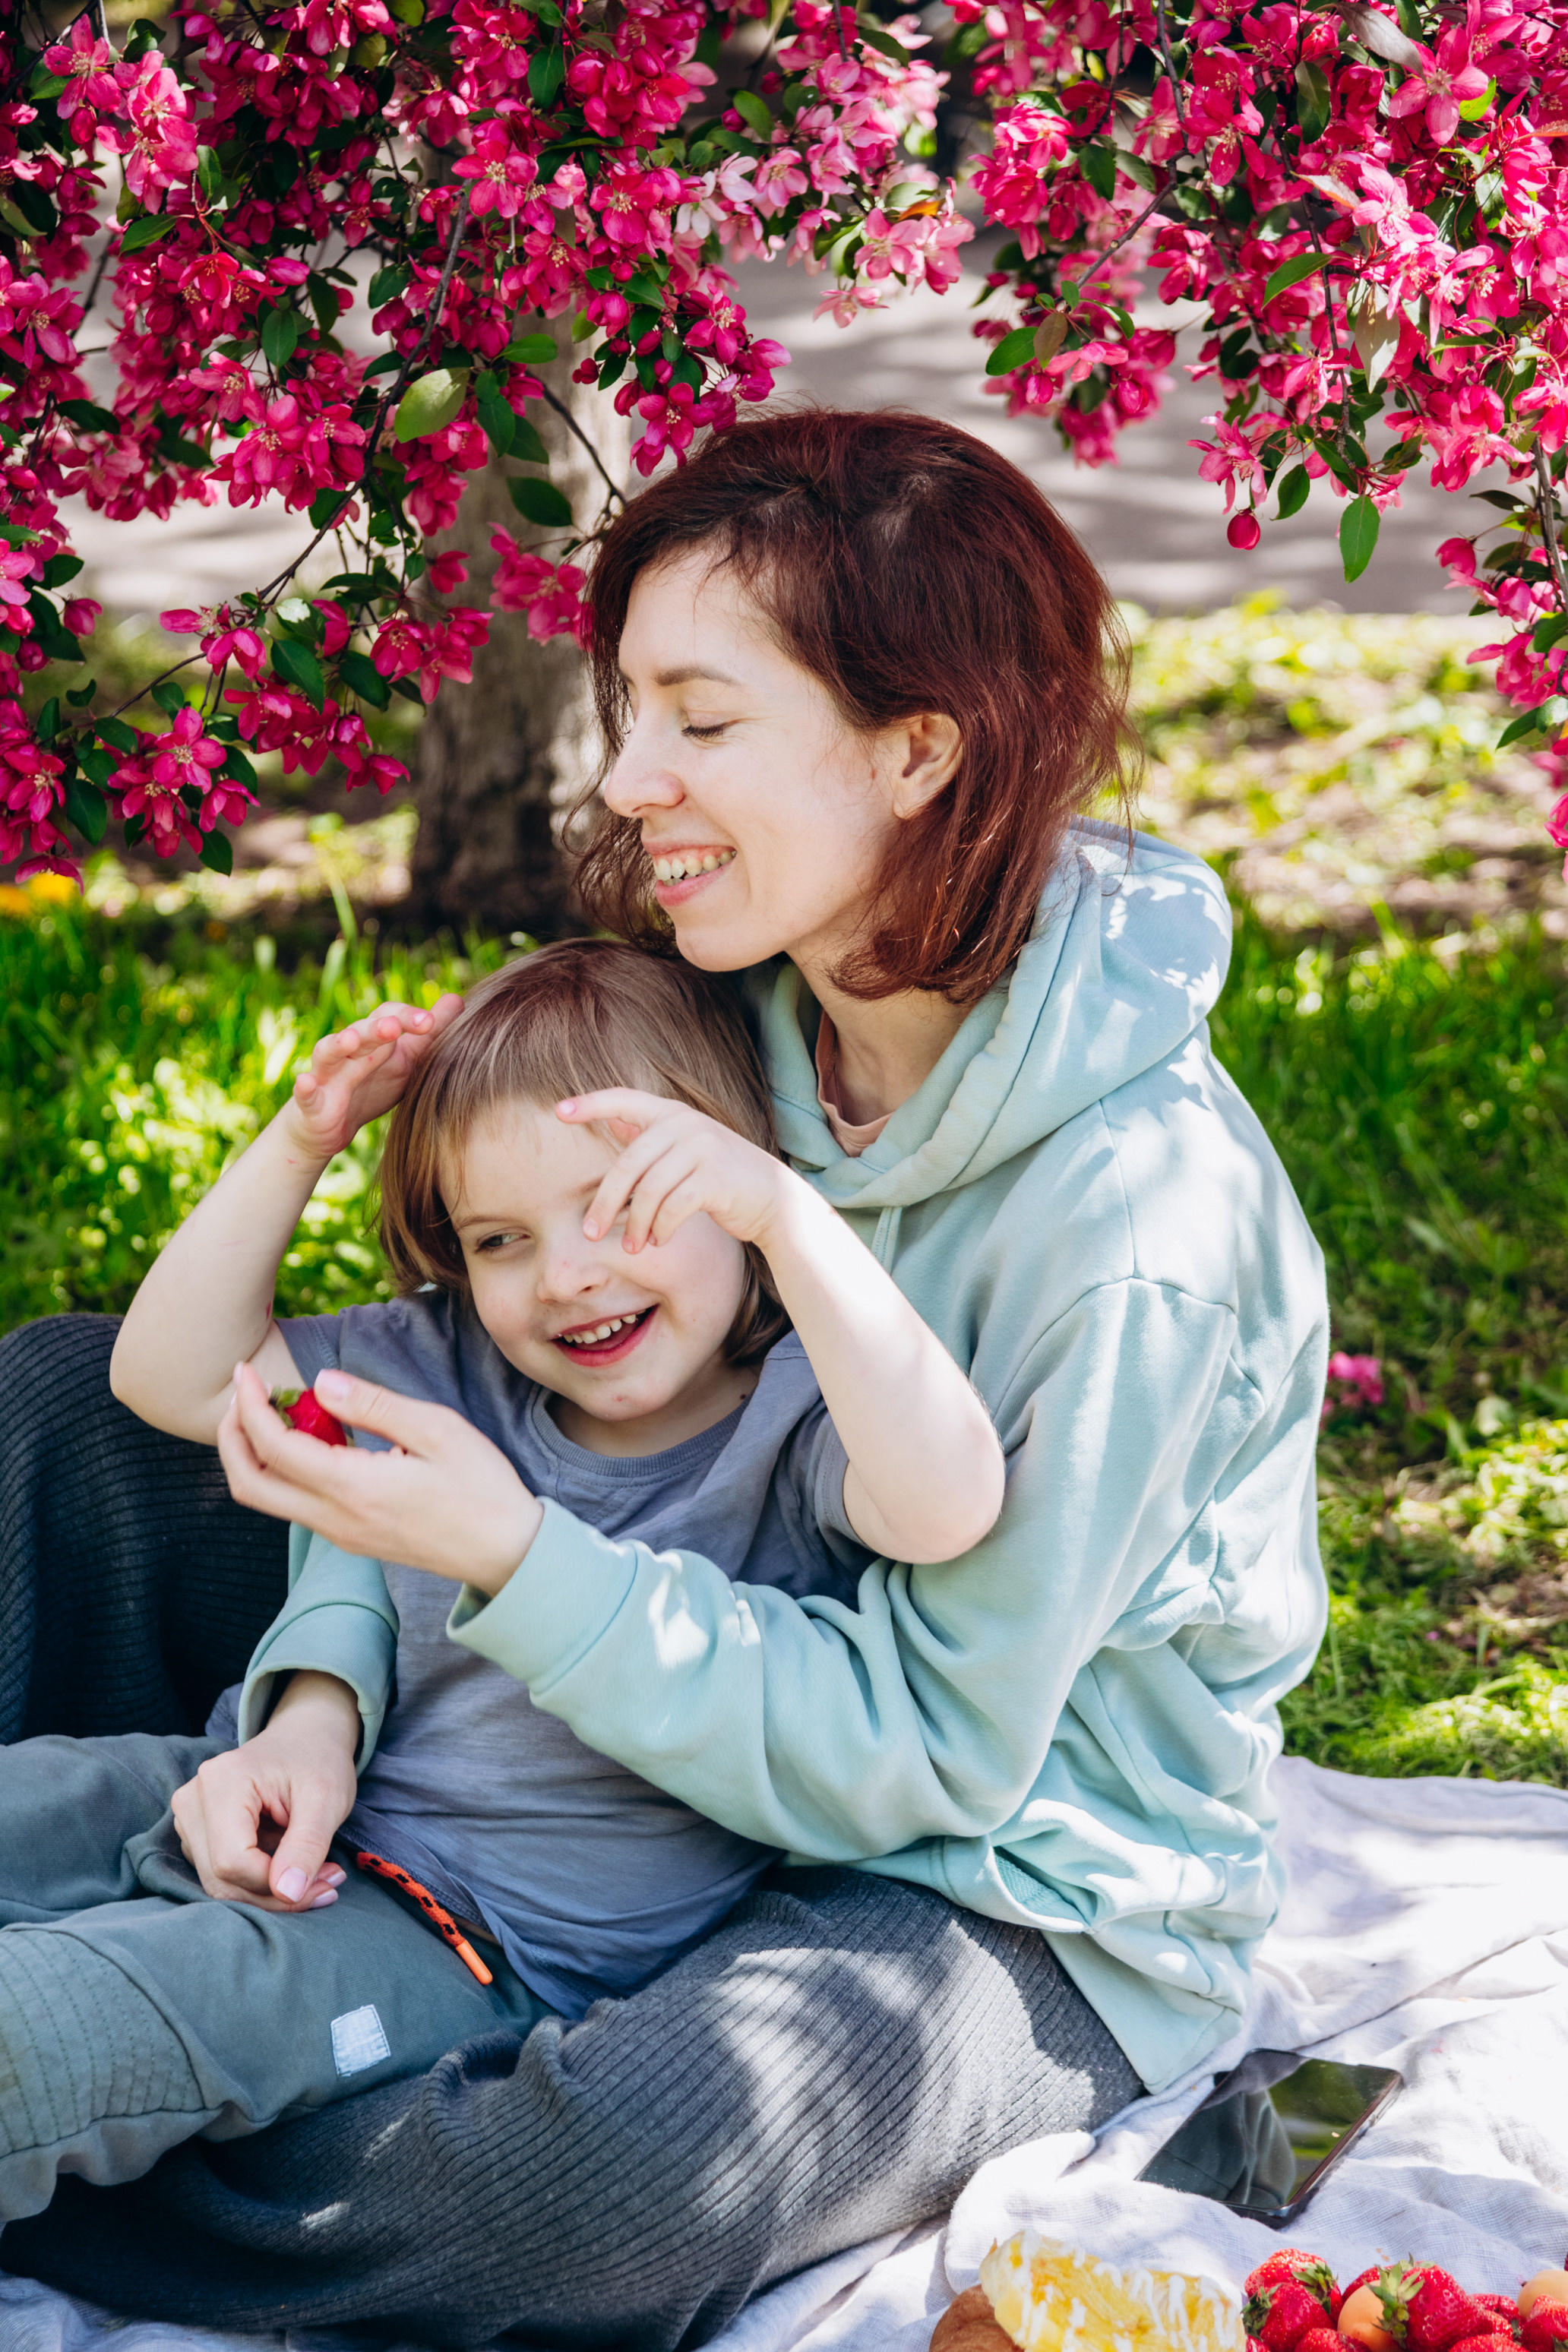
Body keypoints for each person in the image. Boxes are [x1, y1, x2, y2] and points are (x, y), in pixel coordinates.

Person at [0, 408, 1329, 2347]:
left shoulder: (1145, 1238)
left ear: (916, 748)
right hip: (610, 1698)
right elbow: (449, 1351)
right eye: (631, 710)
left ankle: (135, 2098)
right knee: (63, 1409)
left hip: (984, 1873)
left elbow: (929, 1754)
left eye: (700, 723)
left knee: (586, 2189)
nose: (629, 781)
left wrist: (520, 1566)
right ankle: (180, 1967)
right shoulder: (742, 991)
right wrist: (318, 1690)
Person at [0, 937, 1006, 2218]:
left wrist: (787, 1219)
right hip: (244, 1794)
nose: (568, 1275)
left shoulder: (798, 1430)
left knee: (46, 2031)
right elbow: (174, 1377)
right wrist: (301, 1143)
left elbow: (950, 1500)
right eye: (499, 1239)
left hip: (459, 1945)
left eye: (621, 1204)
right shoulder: (443, 1363)